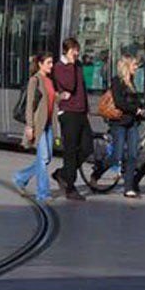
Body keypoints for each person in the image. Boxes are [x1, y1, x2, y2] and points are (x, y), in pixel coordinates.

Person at [12, 53, 59, 203]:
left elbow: (51, 98)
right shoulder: (35, 80)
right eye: (49, 63)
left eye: (52, 62)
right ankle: (42, 194)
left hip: (49, 124)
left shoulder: (49, 81)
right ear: (40, 64)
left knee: (46, 158)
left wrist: (61, 96)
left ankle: (20, 177)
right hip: (39, 125)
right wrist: (29, 126)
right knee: (44, 158)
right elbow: (29, 105)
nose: (51, 65)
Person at [51, 38, 89, 202]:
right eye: (74, 50)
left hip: (80, 112)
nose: (77, 53)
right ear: (66, 51)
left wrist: (86, 109)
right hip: (68, 113)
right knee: (71, 150)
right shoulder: (60, 67)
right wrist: (70, 64)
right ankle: (70, 187)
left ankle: (63, 173)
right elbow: (70, 85)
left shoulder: (77, 65)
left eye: (78, 50)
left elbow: (82, 88)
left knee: (88, 148)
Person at [107, 54, 145, 198]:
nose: (136, 67)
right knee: (117, 155)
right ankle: (98, 171)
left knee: (133, 155)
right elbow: (119, 103)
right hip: (119, 123)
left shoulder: (132, 82)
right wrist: (136, 110)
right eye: (134, 65)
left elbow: (136, 102)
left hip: (132, 123)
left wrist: (143, 109)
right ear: (126, 66)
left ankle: (128, 187)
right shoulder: (117, 81)